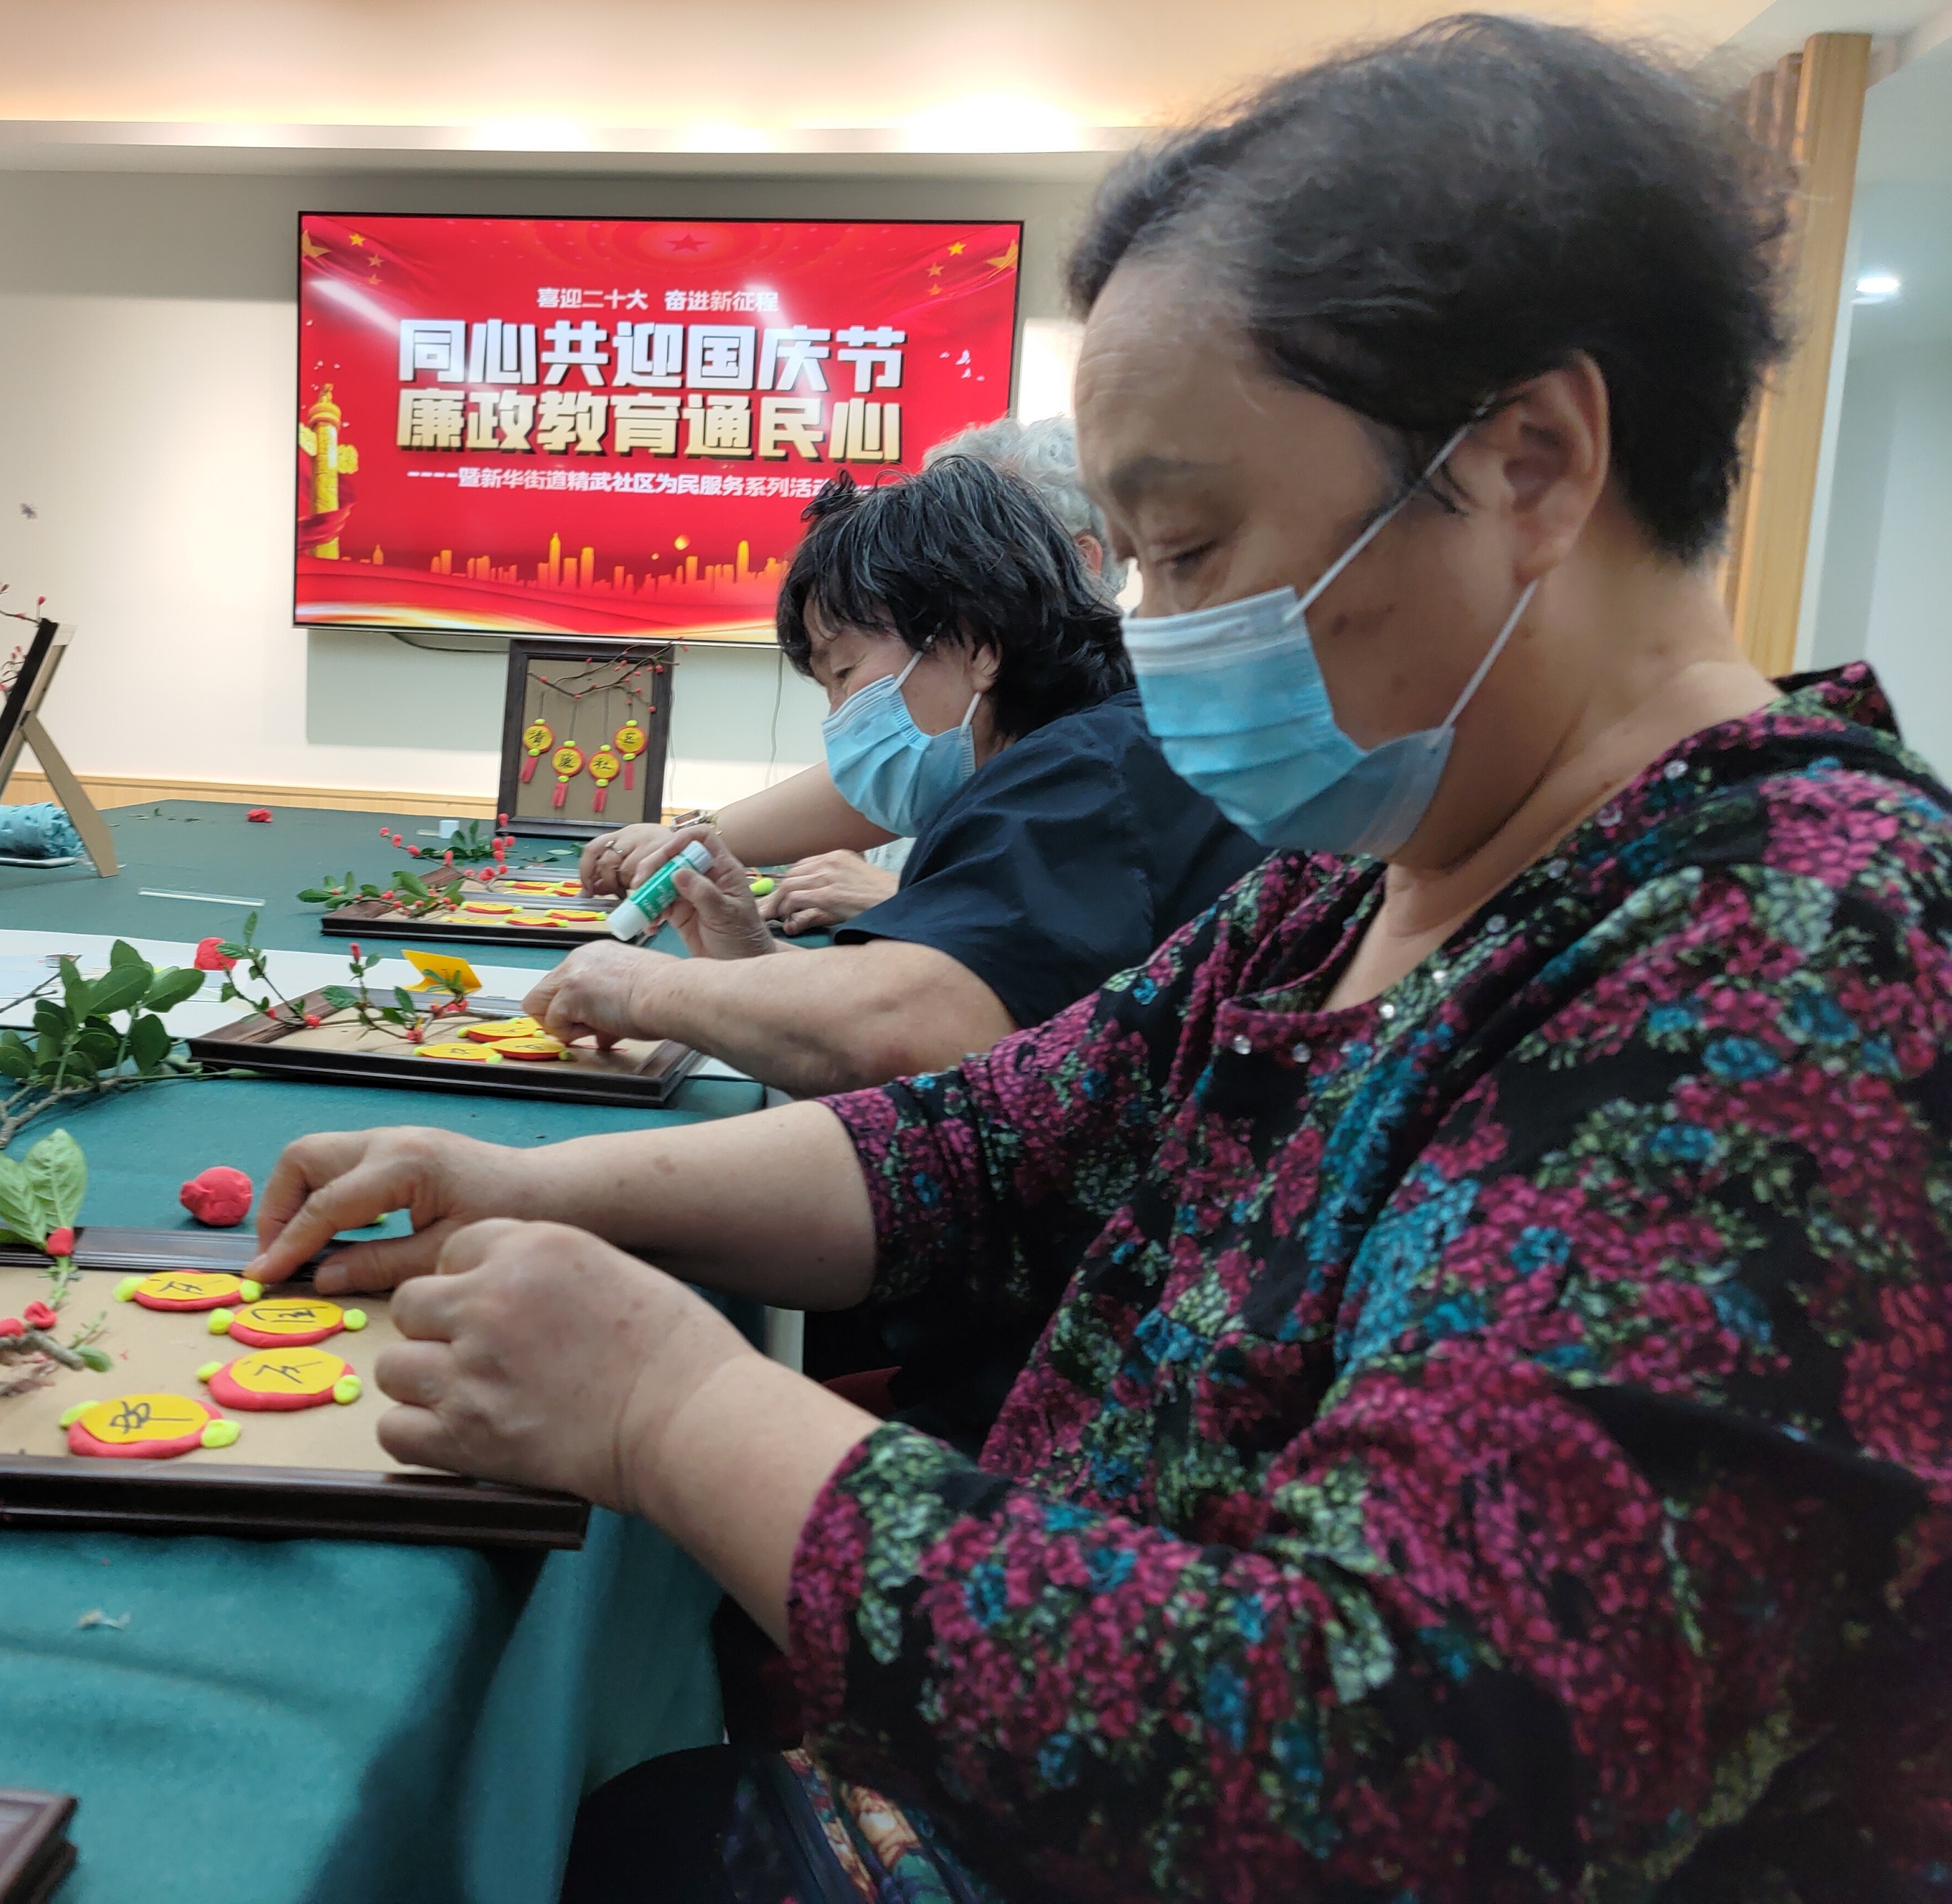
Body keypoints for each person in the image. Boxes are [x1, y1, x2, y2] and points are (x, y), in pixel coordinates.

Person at [248, 17, 1951, 1898]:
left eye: (1191, 546)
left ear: (1528, 463)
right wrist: (518, 1179)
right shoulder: (1355, 884)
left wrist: (672, 1404)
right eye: (1129, 560)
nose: (1149, 632)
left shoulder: (1791, 963)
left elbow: (1371, 1766)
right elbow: (977, 1141)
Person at [525, 455, 1258, 1101]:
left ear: (978, 644)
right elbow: (990, 1013)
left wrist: (644, 987)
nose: (840, 719)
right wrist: (749, 959)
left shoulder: (1078, 780)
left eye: (845, 673)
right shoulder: (1073, 755)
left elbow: (899, 1042)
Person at [583, 415, 1127, 938]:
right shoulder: (984, 749)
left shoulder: (1098, 771)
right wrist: (701, 851)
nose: (842, 715)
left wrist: (911, 900)